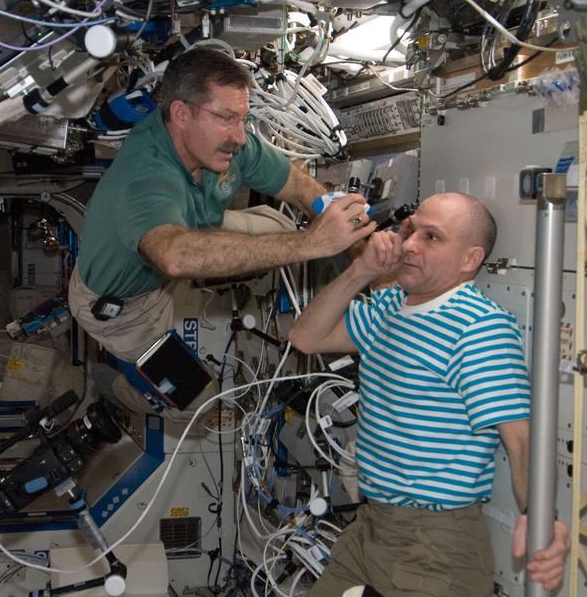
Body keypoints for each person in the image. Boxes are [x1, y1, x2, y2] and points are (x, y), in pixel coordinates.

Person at [261, 192, 570, 597]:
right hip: (371, 537)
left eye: (433, 237)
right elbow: (305, 337)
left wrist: (542, 519)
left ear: (470, 259)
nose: (409, 244)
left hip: (434, 555)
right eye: (409, 230)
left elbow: (521, 441)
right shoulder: (385, 309)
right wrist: (359, 269)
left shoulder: (478, 329)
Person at [68, 46, 376, 367]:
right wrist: (313, 243)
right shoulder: (145, 177)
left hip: (188, 227)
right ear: (181, 114)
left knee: (281, 227)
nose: (240, 137)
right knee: (186, 393)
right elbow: (176, 257)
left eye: (243, 119)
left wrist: (360, 255)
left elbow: (298, 188)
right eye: (227, 119)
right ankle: (120, 389)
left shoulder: (226, 143)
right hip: (125, 305)